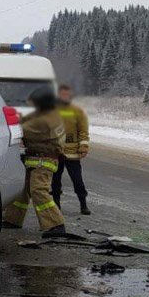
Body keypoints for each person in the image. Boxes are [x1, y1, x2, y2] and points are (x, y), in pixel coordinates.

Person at [3, 86, 66, 237]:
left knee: (38, 190)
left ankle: (56, 224)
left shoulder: (46, 119)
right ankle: (13, 219)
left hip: (43, 160)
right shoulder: (45, 114)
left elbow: (21, 129)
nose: (31, 105)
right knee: (22, 189)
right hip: (34, 158)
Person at [52, 83, 91, 215]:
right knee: (55, 182)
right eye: (62, 94)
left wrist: (84, 146)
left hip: (72, 153)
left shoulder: (77, 111)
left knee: (77, 180)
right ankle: (57, 206)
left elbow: (83, 131)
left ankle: (83, 204)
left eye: (67, 94)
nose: (65, 96)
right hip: (55, 152)